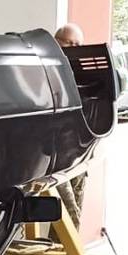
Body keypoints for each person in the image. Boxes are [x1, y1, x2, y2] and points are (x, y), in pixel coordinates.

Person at [53, 22, 88, 234]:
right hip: (55, 155)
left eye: (78, 45)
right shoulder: (46, 68)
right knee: (68, 212)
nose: (74, 49)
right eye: (69, 43)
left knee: (76, 208)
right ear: (56, 42)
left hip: (78, 151)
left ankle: (58, 254)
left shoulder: (84, 72)